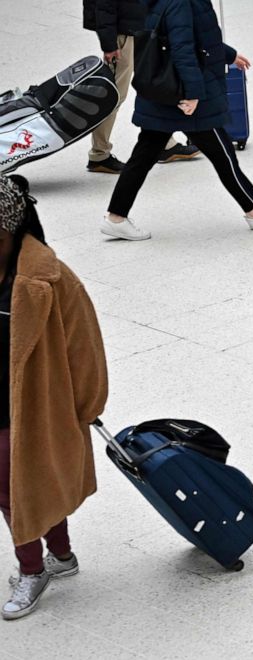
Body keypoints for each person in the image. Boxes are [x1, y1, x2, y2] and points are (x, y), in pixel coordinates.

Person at [0, 174, 109, 620]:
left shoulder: (52, 280)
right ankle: (60, 556)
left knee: (12, 487)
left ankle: (32, 570)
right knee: (29, 483)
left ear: (6, 228)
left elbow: (85, 349)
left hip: (33, 405)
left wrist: (85, 409)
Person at [102, 0, 253, 240]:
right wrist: (193, 94)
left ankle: (116, 217)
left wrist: (228, 55)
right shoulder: (181, 2)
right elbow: (183, 49)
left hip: (161, 92)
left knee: (142, 158)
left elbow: (198, 37)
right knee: (223, 154)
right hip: (183, 96)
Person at [82, 0, 200, 173]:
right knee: (113, 96)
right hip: (122, 35)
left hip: (140, 26)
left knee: (152, 84)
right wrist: (109, 44)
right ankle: (99, 155)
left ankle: (164, 144)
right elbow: (103, 5)